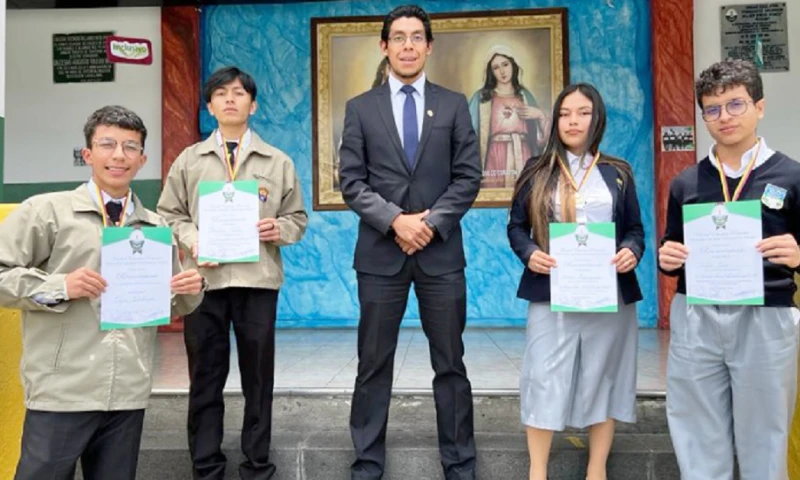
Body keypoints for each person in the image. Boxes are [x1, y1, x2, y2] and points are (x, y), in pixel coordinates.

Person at [0, 105, 205, 480]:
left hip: (126, 391)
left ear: (142, 159)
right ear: (87, 154)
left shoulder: (155, 227)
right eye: (107, 144)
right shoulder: (48, 212)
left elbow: (175, 302)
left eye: (130, 147)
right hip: (62, 390)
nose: (119, 155)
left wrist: (192, 288)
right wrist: (60, 286)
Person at [338, 5, 482, 480]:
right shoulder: (361, 108)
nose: (407, 46)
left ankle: (460, 465)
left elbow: (468, 176)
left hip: (441, 257)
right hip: (381, 256)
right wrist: (396, 221)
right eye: (398, 37)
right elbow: (351, 181)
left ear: (429, 46)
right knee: (373, 364)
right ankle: (366, 465)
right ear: (384, 46)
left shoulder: (454, 104)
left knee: (451, 364)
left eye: (416, 37)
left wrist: (430, 224)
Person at [157, 66, 308, 480]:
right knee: (205, 377)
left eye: (239, 93)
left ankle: (257, 465)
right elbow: (168, 214)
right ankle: (207, 467)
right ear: (209, 106)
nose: (229, 99)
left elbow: (297, 218)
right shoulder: (190, 160)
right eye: (220, 93)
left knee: (258, 379)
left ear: (252, 105)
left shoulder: (277, 161)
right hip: (202, 284)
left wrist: (279, 229)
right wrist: (194, 240)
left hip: (257, 282)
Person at [658, 58, 800, 480]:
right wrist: (668, 257)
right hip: (697, 316)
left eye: (736, 104)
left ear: (760, 106)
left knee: (765, 435)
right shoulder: (686, 183)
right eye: (713, 109)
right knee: (697, 433)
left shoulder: (791, 176)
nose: (725, 117)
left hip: (766, 318)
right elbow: (672, 243)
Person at [507, 83, 644, 480]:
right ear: (555, 120)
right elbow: (516, 227)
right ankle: (537, 471)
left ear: (597, 118)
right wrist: (530, 253)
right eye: (565, 113)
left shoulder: (618, 172)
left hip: (608, 293)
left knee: (603, 375)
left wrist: (631, 251)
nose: (573, 121)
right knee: (543, 375)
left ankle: (596, 469)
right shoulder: (536, 170)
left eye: (583, 113)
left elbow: (635, 230)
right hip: (552, 291)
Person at [468, 45, 549, 188]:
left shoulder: (525, 96)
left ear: (513, 65)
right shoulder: (482, 98)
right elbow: (467, 133)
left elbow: (541, 141)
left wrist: (540, 115)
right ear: (491, 72)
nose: (502, 71)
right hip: (494, 156)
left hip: (523, 154)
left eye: (505, 64)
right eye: (496, 68)